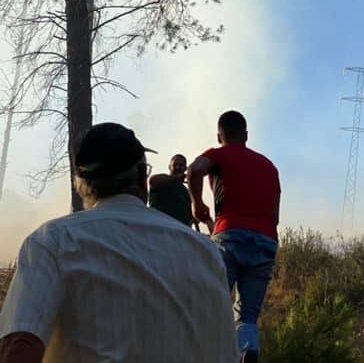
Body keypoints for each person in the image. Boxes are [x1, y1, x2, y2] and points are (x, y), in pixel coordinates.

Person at [0, 123, 238, 363]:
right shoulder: (208, 252)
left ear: (81, 185)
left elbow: (20, 346)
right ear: (143, 177)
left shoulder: (53, 241)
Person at [189, 110, 281, 363]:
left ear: (220, 136)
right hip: (266, 239)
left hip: (230, 235)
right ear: (247, 135)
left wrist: (196, 203)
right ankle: (246, 352)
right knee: (247, 315)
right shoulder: (269, 166)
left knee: (212, 304)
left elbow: (195, 169)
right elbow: (276, 210)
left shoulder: (218, 154)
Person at [148, 153, 194, 226]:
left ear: (185, 168)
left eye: (181, 165)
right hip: (160, 227)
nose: (178, 167)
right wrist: (176, 178)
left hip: (181, 231)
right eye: (175, 165)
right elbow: (153, 180)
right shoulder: (161, 181)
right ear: (169, 167)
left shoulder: (187, 191)